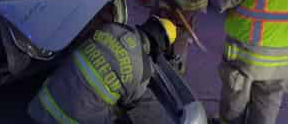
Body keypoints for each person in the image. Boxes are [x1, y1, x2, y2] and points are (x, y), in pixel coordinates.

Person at [28, 16, 177, 124]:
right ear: (159, 48)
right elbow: (128, 104)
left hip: (42, 103)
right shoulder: (143, 72)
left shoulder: (111, 27)